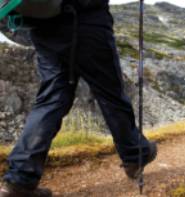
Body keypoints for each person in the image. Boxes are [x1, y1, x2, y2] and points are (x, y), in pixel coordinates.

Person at [0, 1, 157, 196]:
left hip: (44, 25)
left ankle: (19, 180)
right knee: (110, 93)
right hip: (88, 18)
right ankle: (134, 154)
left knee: (51, 99)